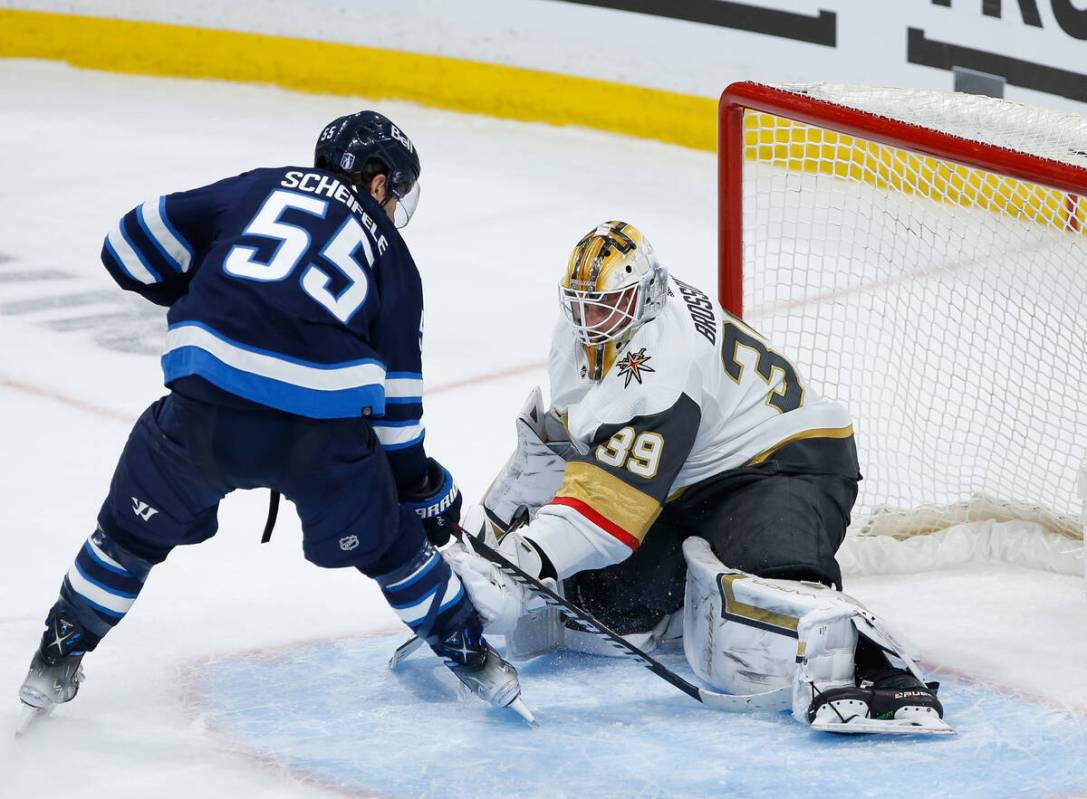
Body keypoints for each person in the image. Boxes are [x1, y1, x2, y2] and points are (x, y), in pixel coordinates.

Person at [18, 111, 528, 721]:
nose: (394, 208)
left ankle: (57, 656)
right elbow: (396, 412)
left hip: (207, 409)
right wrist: (419, 486)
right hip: (319, 437)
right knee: (392, 545)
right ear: (376, 180)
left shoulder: (257, 187)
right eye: (395, 191)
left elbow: (125, 246)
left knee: (129, 535)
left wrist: (203, 287)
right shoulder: (393, 257)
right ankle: (474, 658)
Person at [445, 220, 948, 733]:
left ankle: (874, 666)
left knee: (767, 588)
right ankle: (688, 597)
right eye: (582, 305)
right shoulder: (583, 333)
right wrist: (492, 531)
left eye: (607, 305)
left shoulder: (665, 360)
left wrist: (520, 561)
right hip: (689, 477)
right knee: (605, 601)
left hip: (786, 463)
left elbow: (606, 511)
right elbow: (579, 447)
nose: (592, 319)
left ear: (645, 295)